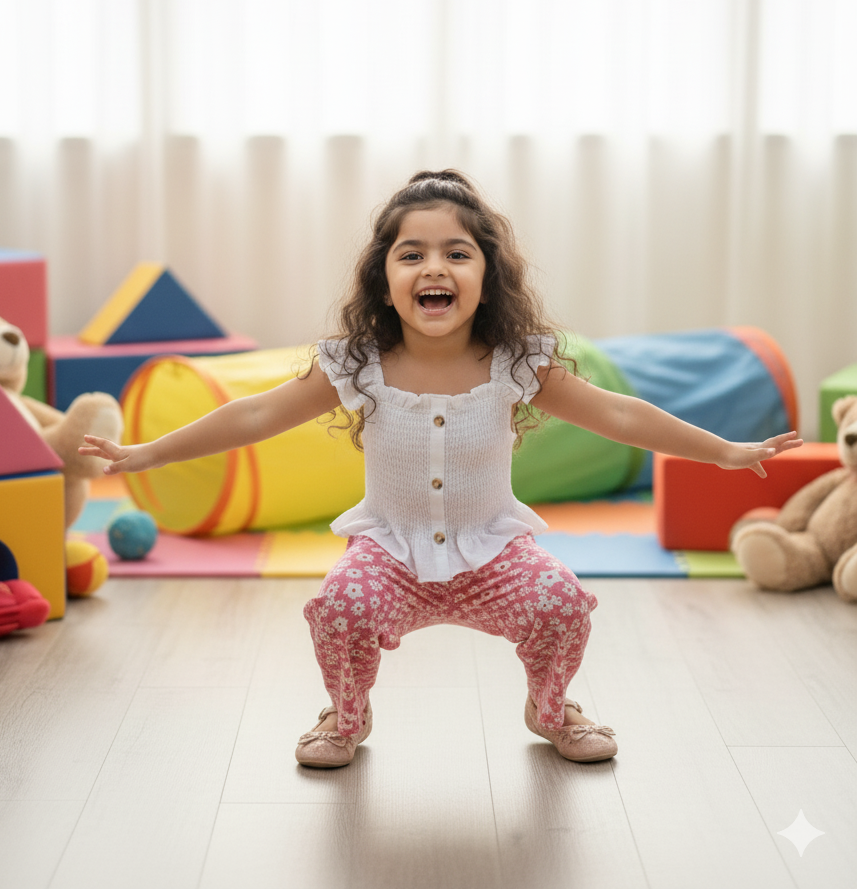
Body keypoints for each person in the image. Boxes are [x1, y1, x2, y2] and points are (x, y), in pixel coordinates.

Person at [79, 169, 802, 769]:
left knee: (562, 604)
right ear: (383, 278)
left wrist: (724, 450)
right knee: (338, 609)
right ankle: (346, 717)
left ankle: (550, 709)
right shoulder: (357, 364)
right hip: (390, 556)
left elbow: (617, 414)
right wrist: (145, 453)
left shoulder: (518, 362)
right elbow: (254, 415)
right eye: (411, 254)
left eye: (457, 253)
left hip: (492, 556)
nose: (434, 267)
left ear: (486, 279)